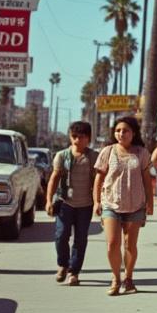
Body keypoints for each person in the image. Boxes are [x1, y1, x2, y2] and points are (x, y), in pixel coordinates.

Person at [93, 116, 154, 296]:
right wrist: (97, 201)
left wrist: (150, 204)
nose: (121, 133)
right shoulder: (107, 152)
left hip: (136, 205)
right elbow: (99, 178)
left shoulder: (142, 153)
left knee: (130, 245)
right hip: (110, 203)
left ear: (133, 133)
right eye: (118, 130)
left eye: (125, 130)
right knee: (112, 244)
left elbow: (146, 180)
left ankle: (128, 278)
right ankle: (115, 278)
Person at [45, 120, 96, 286]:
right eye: (74, 136)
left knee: (80, 239)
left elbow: (99, 181)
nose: (77, 140)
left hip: (85, 205)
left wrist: (98, 202)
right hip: (65, 203)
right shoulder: (62, 156)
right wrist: (48, 201)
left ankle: (74, 272)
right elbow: (54, 178)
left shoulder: (93, 156)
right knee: (61, 235)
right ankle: (63, 265)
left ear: (88, 138)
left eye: (81, 137)